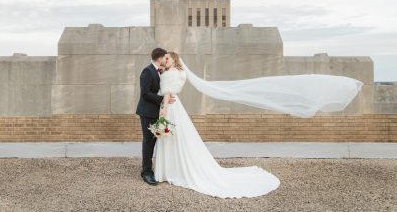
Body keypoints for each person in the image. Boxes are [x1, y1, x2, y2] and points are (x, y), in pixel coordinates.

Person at [152, 51, 363, 198]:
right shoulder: (181, 73)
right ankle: (174, 170)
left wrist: (162, 114)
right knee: (181, 141)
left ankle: (169, 171)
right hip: (177, 108)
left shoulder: (170, 74)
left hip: (171, 108)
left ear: (174, 59)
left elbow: (167, 95)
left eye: (168, 58)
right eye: (165, 59)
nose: (165, 61)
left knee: (172, 139)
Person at [135, 48, 175, 185]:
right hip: (147, 112)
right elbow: (145, 93)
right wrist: (162, 99)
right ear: (159, 58)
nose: (166, 60)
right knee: (148, 142)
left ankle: (156, 168)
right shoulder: (147, 71)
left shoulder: (160, 71)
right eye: (165, 58)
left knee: (157, 141)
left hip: (157, 112)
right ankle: (146, 172)